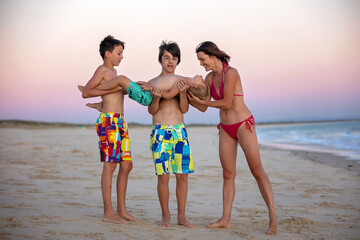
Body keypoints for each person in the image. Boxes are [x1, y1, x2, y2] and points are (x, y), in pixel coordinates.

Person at [79, 41, 208, 228]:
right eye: (166, 58)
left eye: (174, 58)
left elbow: (187, 108)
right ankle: (164, 216)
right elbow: (152, 110)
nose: (171, 62)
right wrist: (156, 95)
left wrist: (181, 93)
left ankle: (180, 216)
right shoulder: (153, 82)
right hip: (157, 131)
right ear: (160, 60)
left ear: (178, 61)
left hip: (178, 131)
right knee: (161, 175)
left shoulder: (182, 81)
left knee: (179, 174)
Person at [188, 41, 278, 235]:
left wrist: (202, 101)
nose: (201, 64)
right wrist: (190, 98)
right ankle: (226, 219)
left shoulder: (232, 73)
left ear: (213, 56)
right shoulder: (210, 78)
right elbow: (204, 107)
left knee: (257, 171)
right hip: (225, 128)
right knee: (228, 173)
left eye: (203, 60)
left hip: (243, 125)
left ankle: (273, 217)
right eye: (200, 61)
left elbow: (227, 102)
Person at [81, 35, 144, 224]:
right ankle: (108, 213)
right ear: (107, 54)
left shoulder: (115, 74)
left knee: (126, 165)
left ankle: (121, 210)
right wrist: (114, 88)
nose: (121, 57)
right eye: (119, 53)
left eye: (122, 53)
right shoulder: (102, 70)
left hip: (120, 122)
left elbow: (111, 95)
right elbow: (86, 92)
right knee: (110, 165)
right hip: (109, 121)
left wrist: (124, 88)